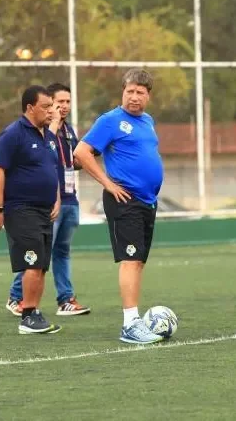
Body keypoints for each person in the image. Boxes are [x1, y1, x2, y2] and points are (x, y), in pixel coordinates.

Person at [72, 69, 166, 345]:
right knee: (130, 260)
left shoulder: (148, 121)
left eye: (140, 92)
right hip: (124, 200)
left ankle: (135, 320)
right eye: (129, 91)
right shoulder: (111, 120)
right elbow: (81, 152)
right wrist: (108, 184)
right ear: (122, 92)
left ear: (148, 96)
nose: (134, 97)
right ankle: (129, 324)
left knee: (138, 262)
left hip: (147, 201)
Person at [5, 83, 91, 317]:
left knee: (61, 251)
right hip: (47, 202)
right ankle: (17, 297)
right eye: (58, 102)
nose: (63, 106)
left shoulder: (69, 131)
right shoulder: (44, 130)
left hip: (69, 198)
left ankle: (65, 299)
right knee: (37, 254)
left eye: (67, 102)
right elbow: (43, 151)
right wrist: (52, 122)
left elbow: (69, 162)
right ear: (47, 105)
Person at [0, 85, 62, 335]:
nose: (51, 111)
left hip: (44, 211)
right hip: (21, 209)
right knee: (32, 263)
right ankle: (27, 316)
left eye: (52, 106)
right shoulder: (12, 134)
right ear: (30, 108)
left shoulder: (50, 138)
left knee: (41, 265)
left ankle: (35, 312)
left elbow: (51, 171)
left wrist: (56, 199)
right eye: (46, 106)